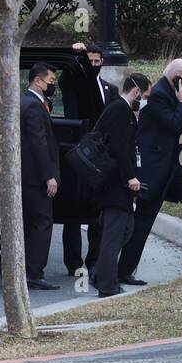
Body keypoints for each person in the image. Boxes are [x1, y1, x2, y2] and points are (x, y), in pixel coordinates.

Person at [116, 58, 182, 282]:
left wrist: (181, 141)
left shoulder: (167, 92)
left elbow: (168, 130)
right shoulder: (159, 95)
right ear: (176, 78)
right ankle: (123, 271)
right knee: (144, 219)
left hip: (170, 167)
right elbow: (171, 122)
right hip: (156, 171)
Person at [62, 41, 118, 275]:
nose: (93, 65)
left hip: (99, 160)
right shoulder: (75, 83)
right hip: (77, 155)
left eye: (96, 62)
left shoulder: (110, 90)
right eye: (90, 61)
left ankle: (94, 259)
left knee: (98, 212)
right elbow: (66, 82)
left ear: (102, 63)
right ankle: (73, 262)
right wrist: (75, 56)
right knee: (72, 212)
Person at [92, 73, 149, 297]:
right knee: (114, 234)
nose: (143, 101)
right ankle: (107, 283)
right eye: (144, 96)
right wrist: (129, 178)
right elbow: (118, 147)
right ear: (136, 92)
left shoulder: (122, 111)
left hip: (118, 182)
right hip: (115, 183)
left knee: (125, 228)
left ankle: (101, 274)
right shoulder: (119, 110)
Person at [21, 62, 61, 290]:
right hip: (35, 178)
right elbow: (39, 143)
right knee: (42, 222)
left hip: (26, 176)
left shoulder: (25, 102)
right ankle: (34, 272)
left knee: (29, 223)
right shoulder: (34, 107)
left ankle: (27, 268)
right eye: (50, 82)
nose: (52, 86)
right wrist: (49, 176)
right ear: (38, 81)